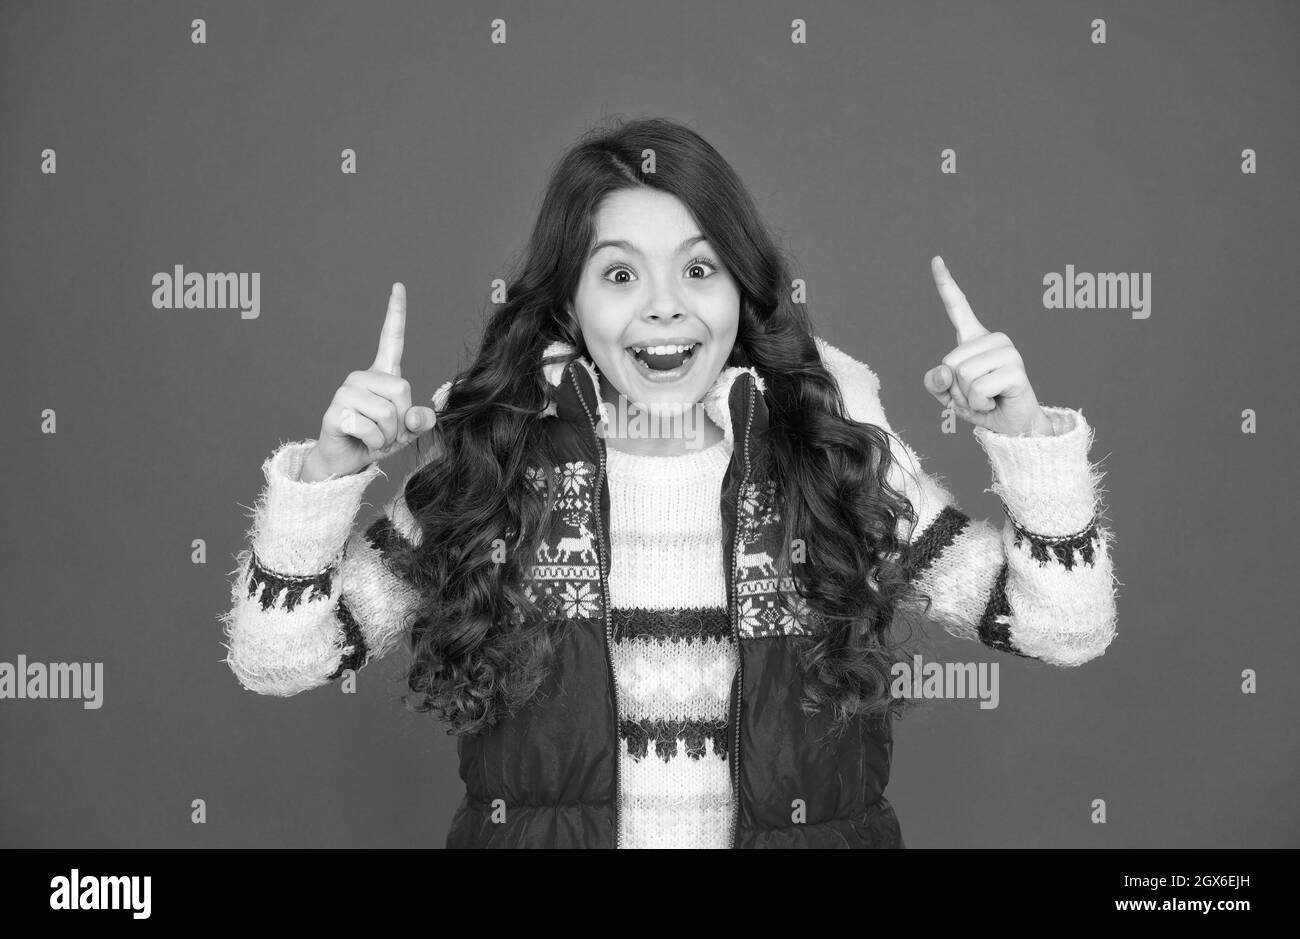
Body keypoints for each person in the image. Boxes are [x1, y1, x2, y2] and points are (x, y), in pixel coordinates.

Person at [219, 116, 1118, 849]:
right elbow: (278, 657)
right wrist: (331, 471)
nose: (664, 305)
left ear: (741, 290)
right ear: (569, 304)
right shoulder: (498, 462)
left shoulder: (827, 447)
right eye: (619, 274)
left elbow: (1062, 627)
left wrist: (1024, 436)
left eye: (699, 268)